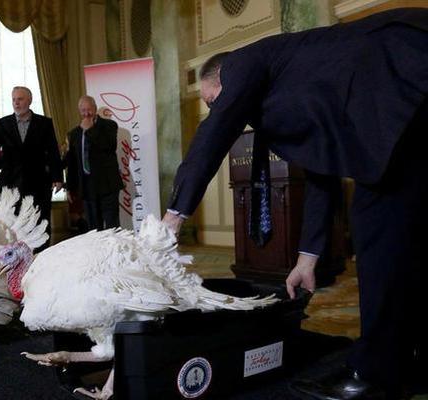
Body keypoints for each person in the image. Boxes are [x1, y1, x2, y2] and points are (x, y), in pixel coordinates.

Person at [162, 8, 428, 400]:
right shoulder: (294, 91)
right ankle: (409, 363)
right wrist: (307, 259)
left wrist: (173, 216)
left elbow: (215, 132)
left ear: (221, 79)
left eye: (213, 100)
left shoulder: (242, 63)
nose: (217, 110)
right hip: (406, 92)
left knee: (377, 228)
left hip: (400, 67)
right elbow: (324, 168)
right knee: (408, 237)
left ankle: (378, 376)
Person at [0, 86, 63, 248]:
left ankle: (41, 257)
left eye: (20, 99)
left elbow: (53, 151)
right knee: (12, 221)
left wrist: (58, 177)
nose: (16, 103)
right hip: (11, 181)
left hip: (38, 181)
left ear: (29, 101)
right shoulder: (2, 124)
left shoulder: (45, 123)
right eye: (14, 99)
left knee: (40, 219)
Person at [66, 95, 123, 231]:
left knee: (112, 227)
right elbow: (72, 162)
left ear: (95, 109)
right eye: (83, 110)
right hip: (87, 187)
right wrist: (70, 186)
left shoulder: (109, 126)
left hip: (107, 185)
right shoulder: (74, 134)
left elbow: (109, 146)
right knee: (93, 229)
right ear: (79, 111)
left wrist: (90, 130)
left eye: (89, 110)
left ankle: (114, 251)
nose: (86, 114)